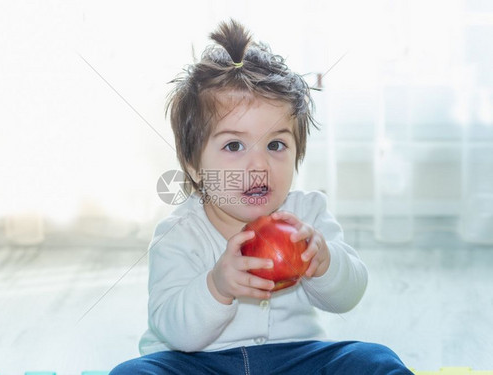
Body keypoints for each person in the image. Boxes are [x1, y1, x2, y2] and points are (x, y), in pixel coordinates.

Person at [110, 19, 413, 374]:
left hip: (295, 358)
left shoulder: (306, 214)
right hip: (201, 363)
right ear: (194, 166)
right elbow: (173, 330)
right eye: (234, 145)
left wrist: (325, 263)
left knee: (374, 361)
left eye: (276, 144)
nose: (259, 163)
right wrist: (217, 285)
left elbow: (350, 295)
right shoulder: (179, 233)